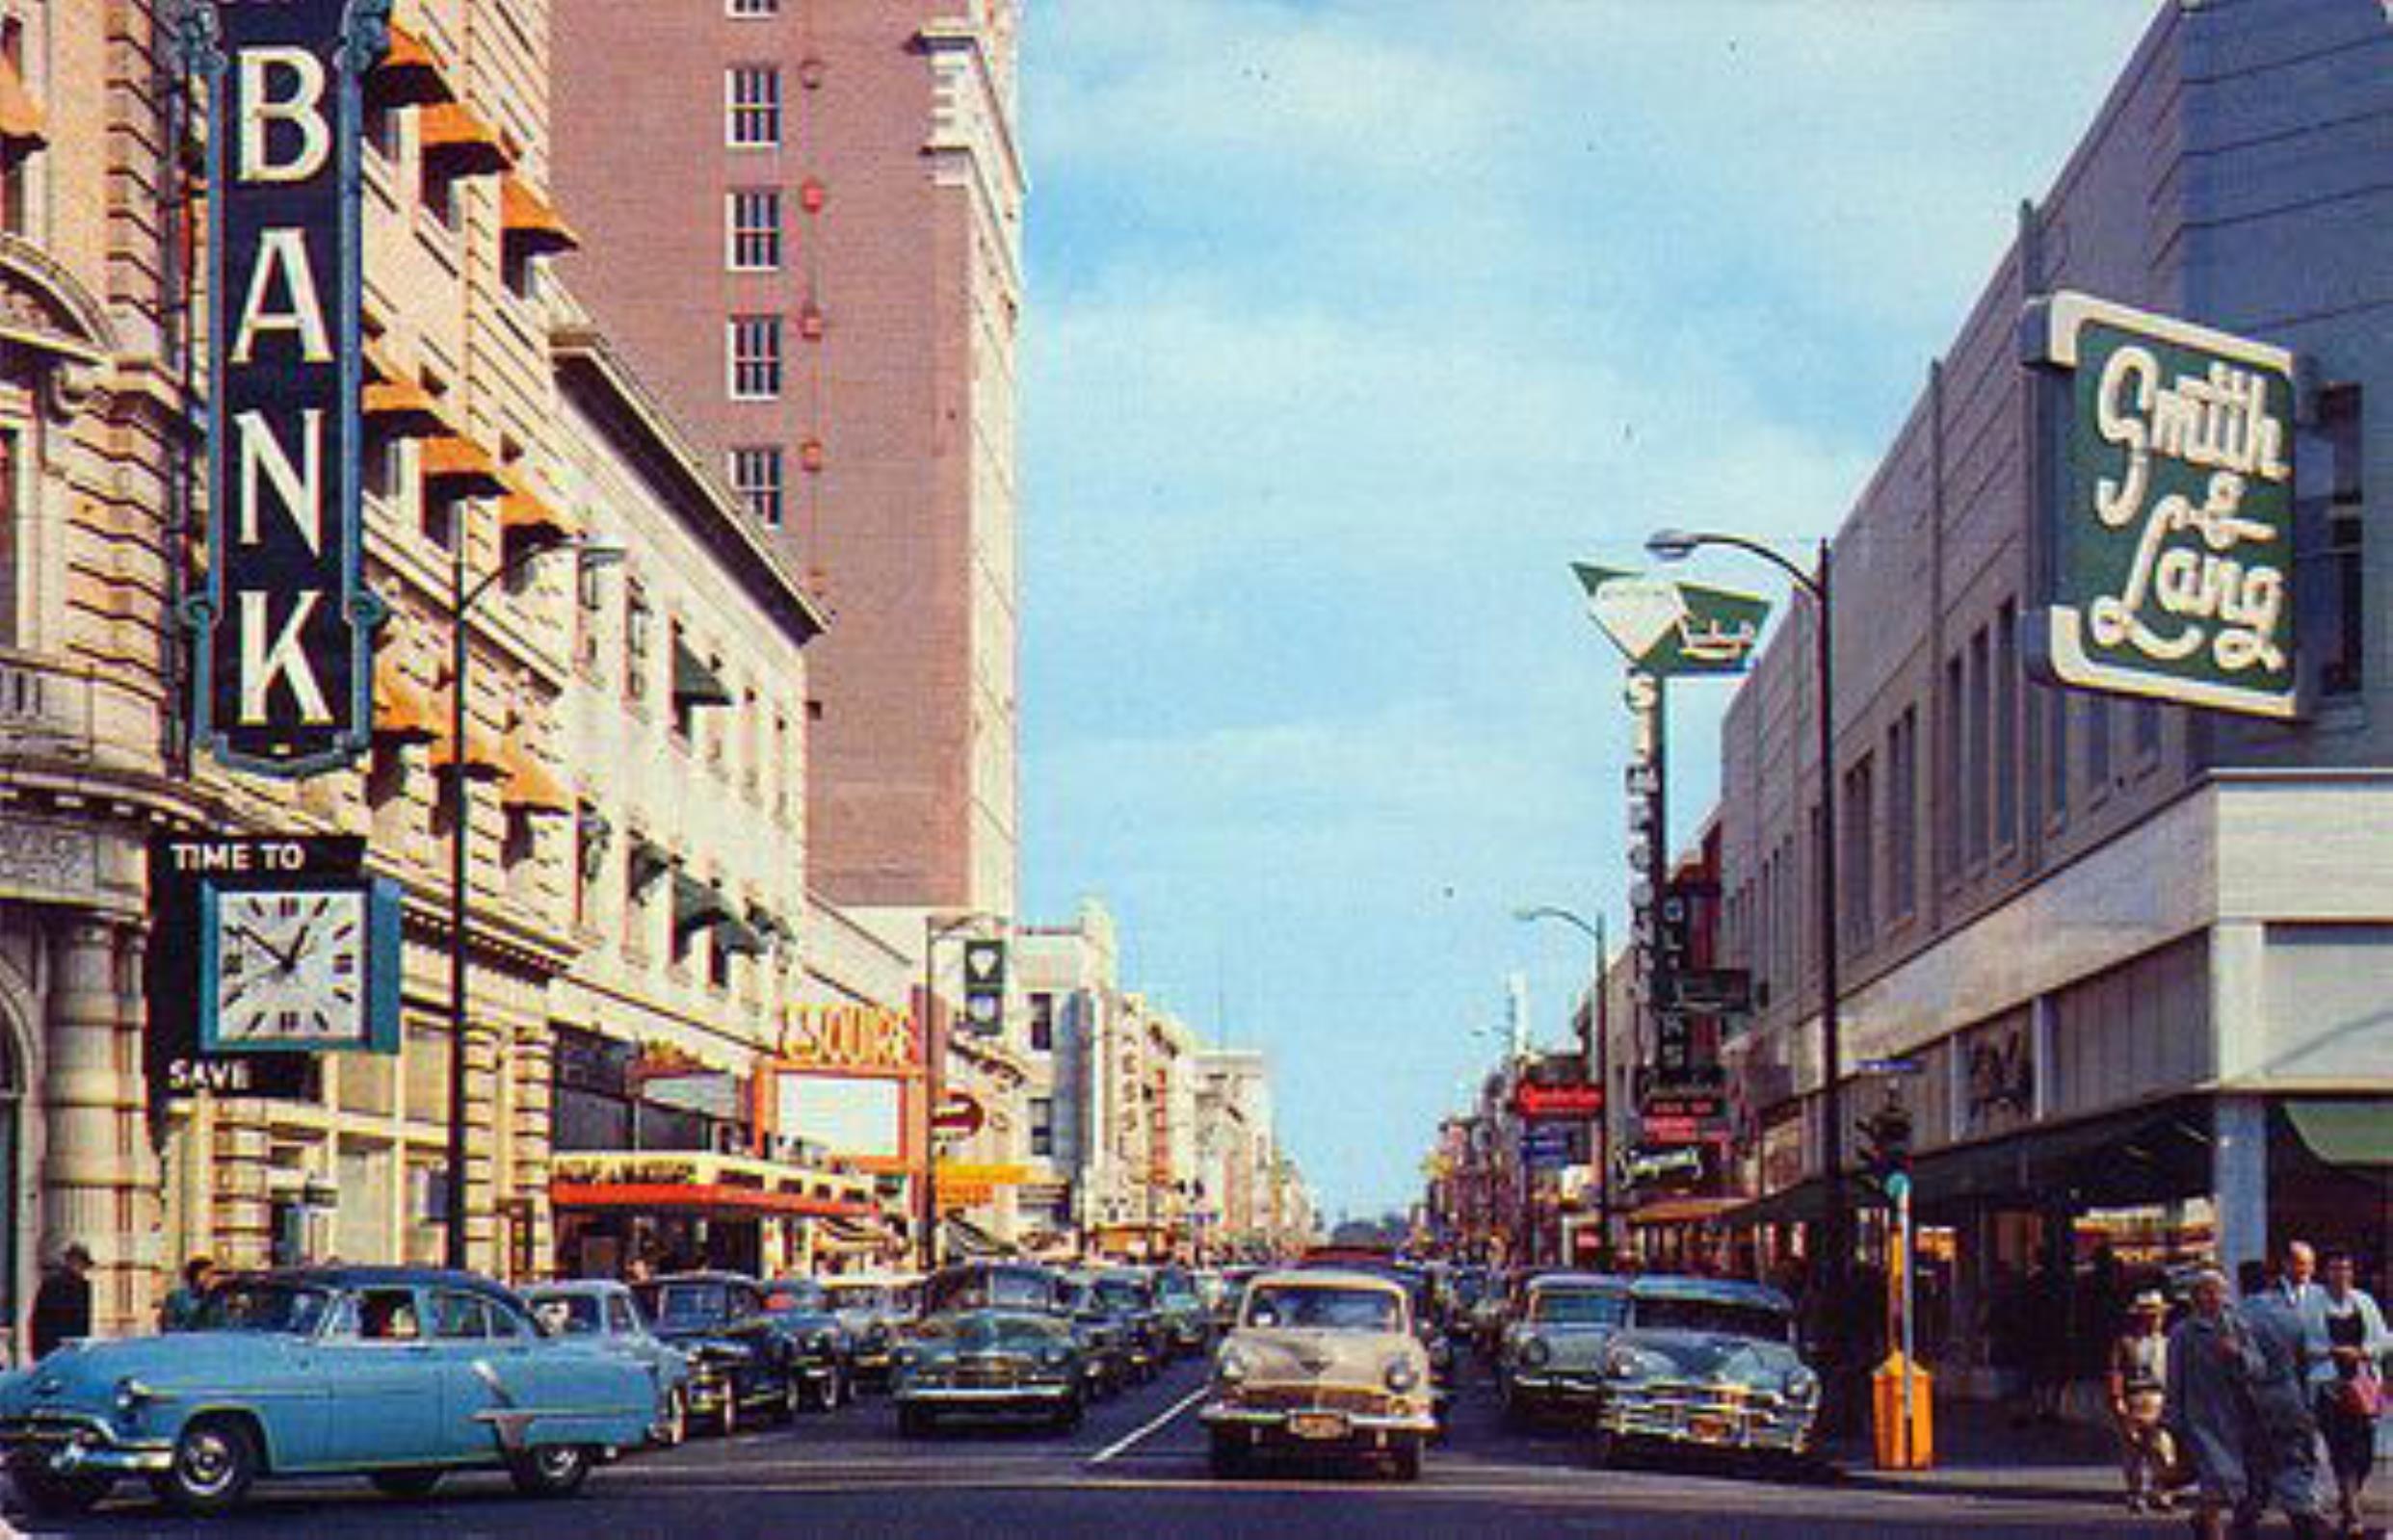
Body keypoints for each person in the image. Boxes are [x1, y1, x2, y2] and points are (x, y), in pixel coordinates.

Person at [2168, 1267, 2264, 1540]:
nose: (2213, 1297)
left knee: (2232, 1486)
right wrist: (2173, 1420)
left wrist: (2239, 1354)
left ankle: (2200, 1518)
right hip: (2199, 1417)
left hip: (2233, 1417)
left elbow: (2259, 1367)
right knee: (2215, 1481)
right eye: (2206, 1291)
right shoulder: (2183, 1333)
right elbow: (2175, 1378)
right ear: (2195, 1297)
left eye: (2218, 1291)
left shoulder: (2237, 1326)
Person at [2239, 1258, 2327, 1540]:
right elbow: (2302, 1360)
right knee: (2294, 1460)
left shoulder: (2238, 1316)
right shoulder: (2290, 1314)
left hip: (2254, 1400)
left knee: (2255, 1463)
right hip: (2289, 1396)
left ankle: (2249, 1519)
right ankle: (2304, 1514)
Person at [2308, 1251, 2387, 1540]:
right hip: (2329, 1387)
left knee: (2364, 1452)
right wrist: (2331, 1351)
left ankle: (2348, 1497)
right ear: (2325, 1273)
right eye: (2335, 1269)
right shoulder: (2312, 1305)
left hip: (2363, 1386)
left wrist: (2365, 1351)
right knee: (2341, 1449)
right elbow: (2303, 1342)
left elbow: (2383, 1338)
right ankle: (2353, 1513)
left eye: (2346, 1268)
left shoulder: (2364, 1301)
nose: (2341, 1274)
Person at [2110, 1290, 2178, 1513]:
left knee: (2162, 1448)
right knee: (2133, 1449)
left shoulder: (2169, 1343)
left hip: (2160, 1400)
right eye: (2150, 1315)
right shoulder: (2126, 1343)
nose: (2156, 1320)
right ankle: (2136, 1492)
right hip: (2134, 1399)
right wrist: (2117, 1399)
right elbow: (2116, 1372)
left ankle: (2161, 1490)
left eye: (2158, 1315)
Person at [28, 1243, 93, 1360]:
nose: (81, 1268)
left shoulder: (82, 1286)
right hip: (58, 1346)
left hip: (62, 1346)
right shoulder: (55, 1284)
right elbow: (42, 1318)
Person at [160, 1256, 216, 1333]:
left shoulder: (214, 1298)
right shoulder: (177, 1297)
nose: (210, 1278)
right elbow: (167, 1326)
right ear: (195, 1274)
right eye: (207, 1273)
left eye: (211, 1274)